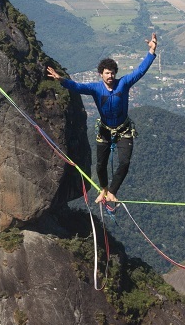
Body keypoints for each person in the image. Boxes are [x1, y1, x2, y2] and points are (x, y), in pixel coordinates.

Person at [47, 33, 158, 204]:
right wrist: (61, 80)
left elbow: (140, 71)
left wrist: (151, 52)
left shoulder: (124, 83)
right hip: (105, 130)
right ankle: (104, 190)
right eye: (107, 73)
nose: (110, 76)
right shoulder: (96, 88)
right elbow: (77, 87)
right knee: (100, 165)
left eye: (112, 73)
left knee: (125, 162)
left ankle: (112, 192)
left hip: (123, 129)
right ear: (101, 74)